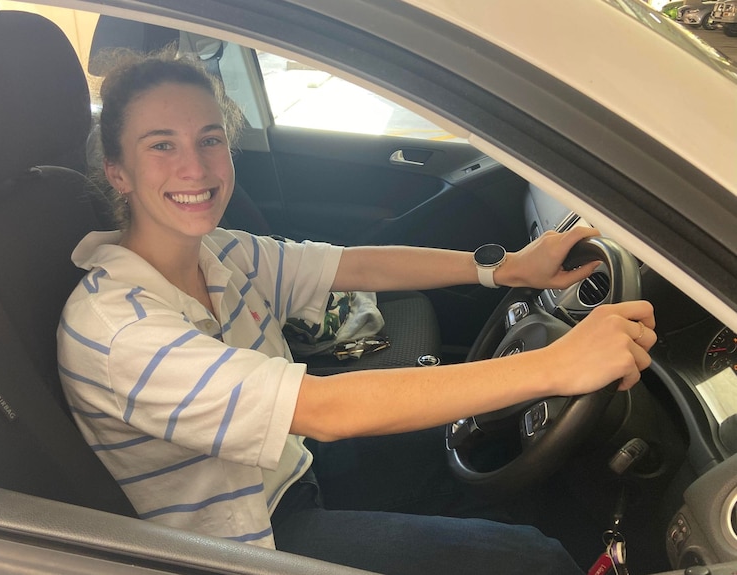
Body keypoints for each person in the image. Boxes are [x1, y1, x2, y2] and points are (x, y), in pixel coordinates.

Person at [57, 49, 656, 575]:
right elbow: (326, 409)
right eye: (162, 145)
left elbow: (355, 266)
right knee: (535, 561)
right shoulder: (118, 328)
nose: (195, 167)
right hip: (244, 542)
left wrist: (504, 269)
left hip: (285, 471)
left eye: (209, 139)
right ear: (117, 171)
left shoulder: (219, 252)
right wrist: (557, 365)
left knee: (461, 456)